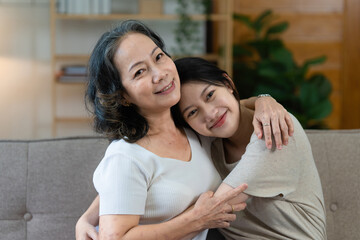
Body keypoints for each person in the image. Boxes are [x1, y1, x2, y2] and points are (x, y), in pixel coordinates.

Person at [76, 20, 293, 240]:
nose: (159, 74)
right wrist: (196, 220)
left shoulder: (194, 128)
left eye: (159, 57)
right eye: (140, 71)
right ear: (122, 96)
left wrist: (265, 101)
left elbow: (227, 106)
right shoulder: (126, 157)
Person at [174, 57, 326, 239]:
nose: (210, 114)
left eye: (209, 95)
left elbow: (210, 212)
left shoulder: (275, 131)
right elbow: (236, 104)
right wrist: (263, 99)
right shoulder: (210, 143)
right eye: (192, 112)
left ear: (228, 83)